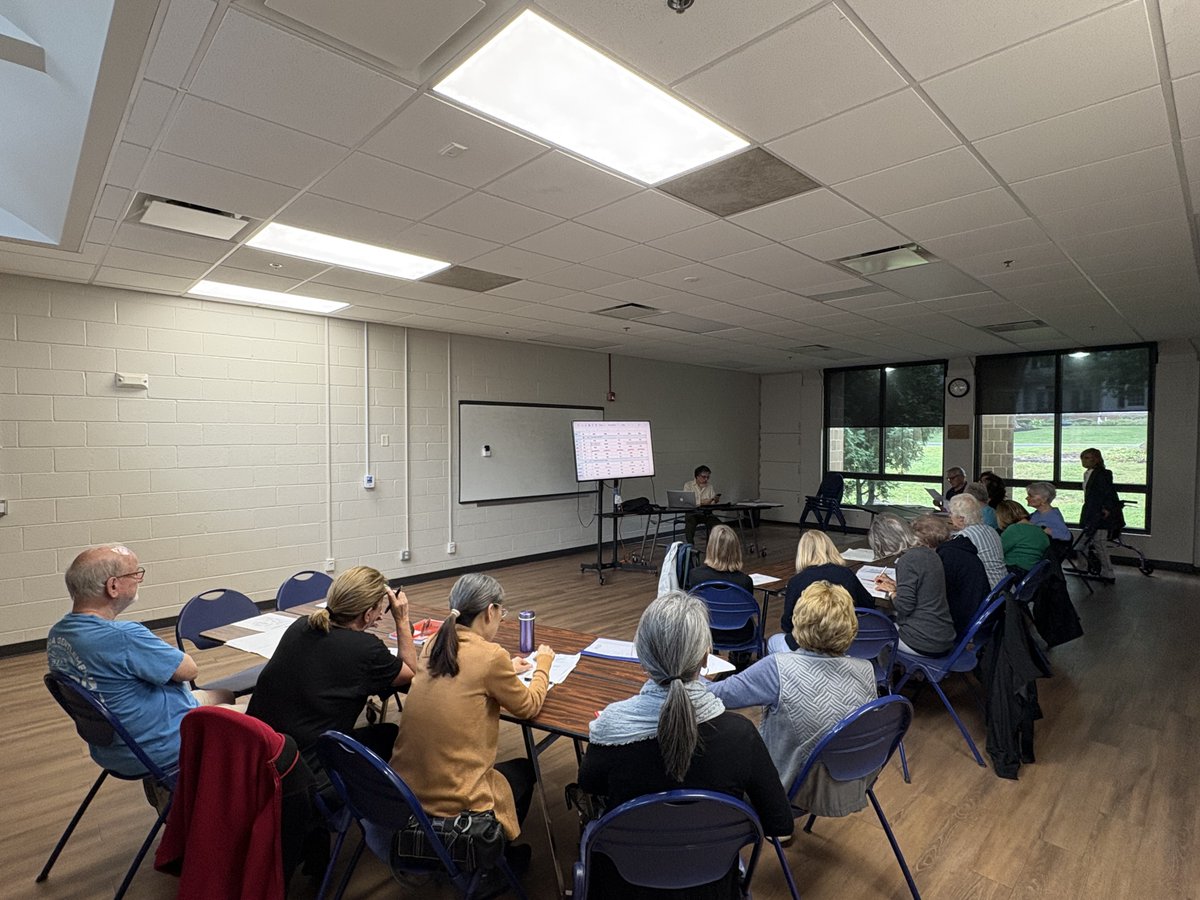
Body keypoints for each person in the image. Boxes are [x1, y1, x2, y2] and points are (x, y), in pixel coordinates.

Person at [579, 591, 793, 899]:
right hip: (713, 884)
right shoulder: (741, 736)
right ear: (706, 657)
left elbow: (589, 783)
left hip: (623, 884)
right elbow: (778, 821)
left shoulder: (613, 728)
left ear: (642, 658)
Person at [391, 573, 553, 869]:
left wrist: (507, 671)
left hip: (407, 790)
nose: (500, 618)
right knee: (524, 771)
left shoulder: (434, 643)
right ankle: (496, 856)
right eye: (501, 613)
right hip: (457, 799)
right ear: (490, 611)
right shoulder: (490, 656)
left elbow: (465, 675)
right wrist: (543, 666)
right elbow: (528, 706)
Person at [46, 545, 234, 778]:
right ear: (113, 586)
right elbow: (189, 671)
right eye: (134, 574)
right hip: (159, 749)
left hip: (114, 748)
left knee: (225, 694)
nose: (139, 579)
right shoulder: (123, 636)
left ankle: (167, 791)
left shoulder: (58, 634)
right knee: (255, 712)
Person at [709, 581, 878, 816]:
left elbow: (715, 696)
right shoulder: (865, 670)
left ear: (799, 619)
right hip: (848, 783)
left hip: (788, 789)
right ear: (850, 624)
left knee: (717, 743)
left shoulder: (778, 668)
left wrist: (690, 670)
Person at [247, 566, 415, 782]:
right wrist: (402, 618)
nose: (380, 616)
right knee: (390, 734)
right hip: (306, 771)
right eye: (378, 610)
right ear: (366, 614)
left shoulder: (301, 625)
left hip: (262, 754)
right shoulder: (366, 649)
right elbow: (410, 672)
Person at [769, 529, 874, 654]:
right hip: (842, 641)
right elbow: (868, 604)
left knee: (773, 641)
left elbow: (787, 624)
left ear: (802, 553)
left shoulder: (796, 581)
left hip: (806, 644)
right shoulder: (846, 574)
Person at [869, 514, 956, 657]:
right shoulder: (930, 553)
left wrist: (893, 592)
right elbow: (924, 588)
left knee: (876, 631)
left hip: (923, 641)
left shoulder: (907, 560)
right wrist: (898, 585)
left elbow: (904, 606)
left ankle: (885, 676)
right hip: (943, 635)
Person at [685, 523, 758, 658]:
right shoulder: (745, 581)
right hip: (740, 635)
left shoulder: (696, 576)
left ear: (710, 547)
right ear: (736, 549)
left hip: (706, 633)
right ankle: (740, 658)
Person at [912, 514, 990, 639]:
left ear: (926, 543)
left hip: (959, 622)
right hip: (973, 611)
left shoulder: (947, 558)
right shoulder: (958, 547)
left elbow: (932, 596)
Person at [1080, 448, 1123, 581]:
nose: (1084, 461)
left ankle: (1108, 572)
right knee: (1084, 542)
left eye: (1087, 458)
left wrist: (1106, 509)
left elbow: (1108, 493)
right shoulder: (1088, 474)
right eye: (1083, 458)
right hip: (1091, 512)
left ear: (1096, 459)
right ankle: (1083, 567)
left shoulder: (1103, 474)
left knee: (1099, 543)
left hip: (1100, 514)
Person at [947, 494, 1008, 589]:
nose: (949, 516)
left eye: (950, 513)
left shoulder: (964, 538)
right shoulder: (991, 530)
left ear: (961, 519)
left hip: (987, 588)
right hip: (1003, 584)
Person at [996, 499, 1050, 575]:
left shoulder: (1015, 529)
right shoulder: (1041, 531)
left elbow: (997, 551)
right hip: (1031, 575)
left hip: (1012, 572)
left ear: (1004, 517)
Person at [683, 464, 722, 544]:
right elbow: (687, 502)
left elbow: (712, 502)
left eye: (708, 477)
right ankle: (690, 548)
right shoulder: (688, 485)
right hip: (692, 513)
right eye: (704, 477)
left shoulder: (710, 486)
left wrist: (715, 500)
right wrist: (701, 503)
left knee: (719, 526)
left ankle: (714, 547)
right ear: (697, 476)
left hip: (706, 513)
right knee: (689, 527)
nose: (706, 479)